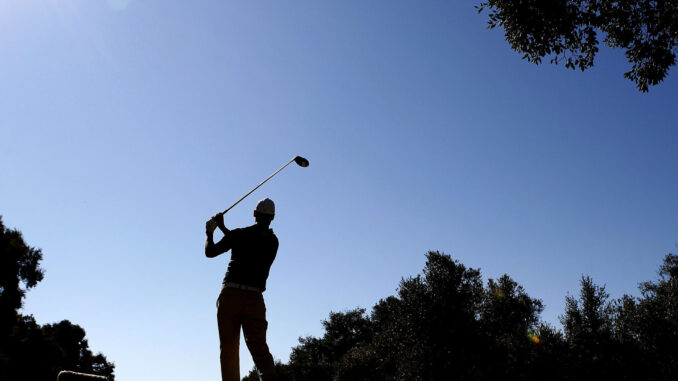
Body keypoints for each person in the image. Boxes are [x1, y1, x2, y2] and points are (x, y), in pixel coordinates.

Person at [205, 198, 279, 381]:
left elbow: (210, 252)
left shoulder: (239, 235)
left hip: (230, 295)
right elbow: (246, 242)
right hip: (254, 299)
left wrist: (210, 231)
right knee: (260, 350)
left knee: (229, 350)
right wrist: (223, 228)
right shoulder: (273, 242)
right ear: (273, 217)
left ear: (254, 214)